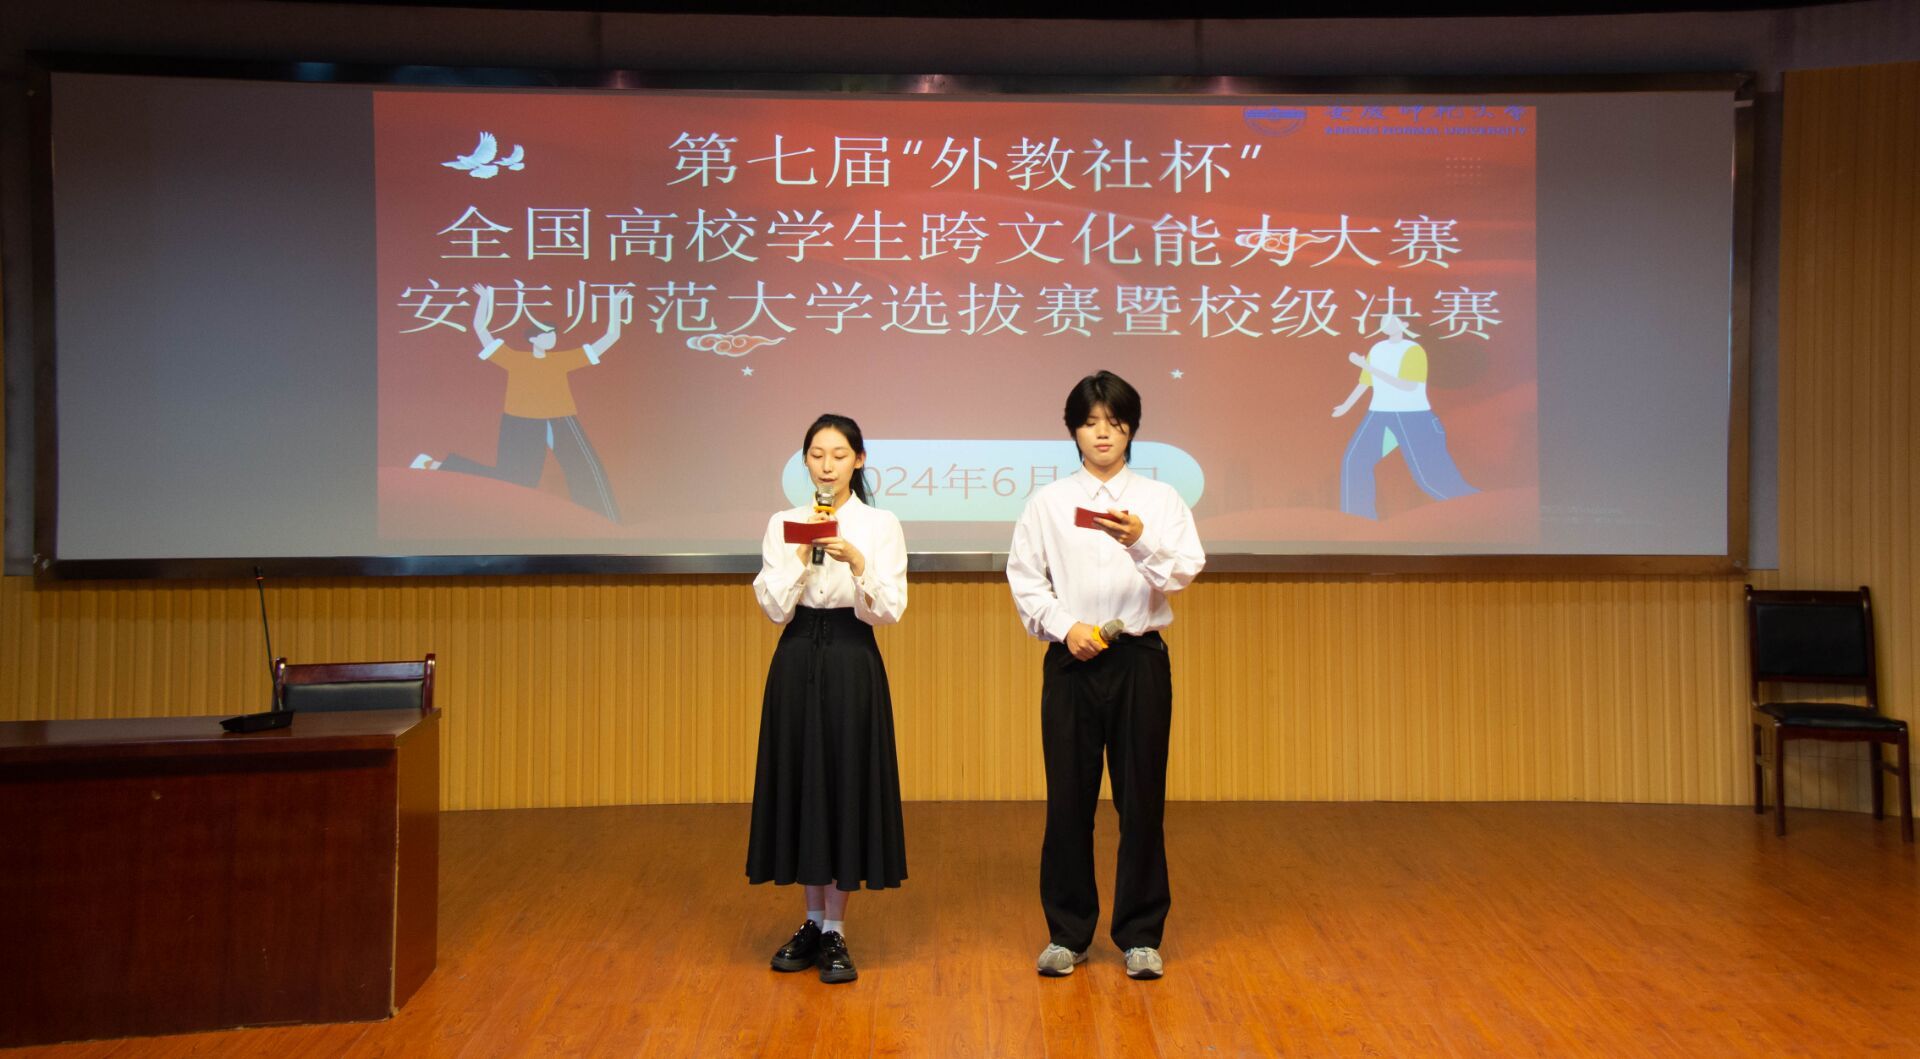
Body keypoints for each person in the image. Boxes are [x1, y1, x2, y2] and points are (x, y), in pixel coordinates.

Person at [1006, 371, 1205, 981]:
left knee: (1141, 801)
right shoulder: (1047, 503)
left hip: (1139, 660)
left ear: (1131, 429)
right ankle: (1067, 935)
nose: (1102, 434)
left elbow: (1184, 572)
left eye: (1114, 423)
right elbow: (1025, 578)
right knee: (1069, 801)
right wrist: (1066, 626)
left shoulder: (1160, 501)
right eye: (1090, 422)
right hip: (1072, 659)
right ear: (1073, 430)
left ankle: (1140, 935)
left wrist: (1141, 541)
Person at [747, 414, 909, 984]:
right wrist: (802, 554)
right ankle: (812, 922)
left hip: (850, 656)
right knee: (803, 782)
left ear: (858, 460)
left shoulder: (880, 524)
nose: (827, 466)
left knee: (844, 783)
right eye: (816, 455)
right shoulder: (783, 523)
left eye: (839, 455)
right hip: (796, 657)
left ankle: (836, 928)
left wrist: (856, 561)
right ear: (805, 461)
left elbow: (890, 610)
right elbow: (773, 607)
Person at [411, 284, 629, 522]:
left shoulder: (562, 359)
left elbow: (611, 337)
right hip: (520, 422)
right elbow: (480, 328)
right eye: (545, 333)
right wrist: (485, 299)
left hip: (560, 419)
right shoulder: (513, 359)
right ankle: (436, 465)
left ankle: (604, 522)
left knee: (586, 467)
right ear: (533, 338)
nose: (551, 337)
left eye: (553, 333)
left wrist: (615, 305)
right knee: (516, 480)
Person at [1332, 313, 1478, 519]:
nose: (1387, 324)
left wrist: (1367, 366)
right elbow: (1365, 382)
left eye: (1392, 320)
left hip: (1413, 416)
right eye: (1383, 321)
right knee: (1354, 461)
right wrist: (1346, 406)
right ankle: (1357, 520)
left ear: (1404, 323)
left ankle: (1481, 510)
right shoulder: (1377, 348)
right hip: (1379, 414)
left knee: (1431, 479)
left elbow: (1407, 386)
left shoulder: (1413, 350)